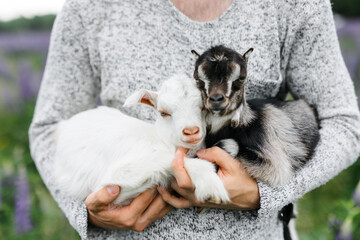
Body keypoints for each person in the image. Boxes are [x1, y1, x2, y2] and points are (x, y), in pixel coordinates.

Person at [29, 0, 360, 239]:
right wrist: (88, 213)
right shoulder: (90, 8)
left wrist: (262, 192)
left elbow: (344, 123)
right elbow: (50, 129)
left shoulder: (293, 6)